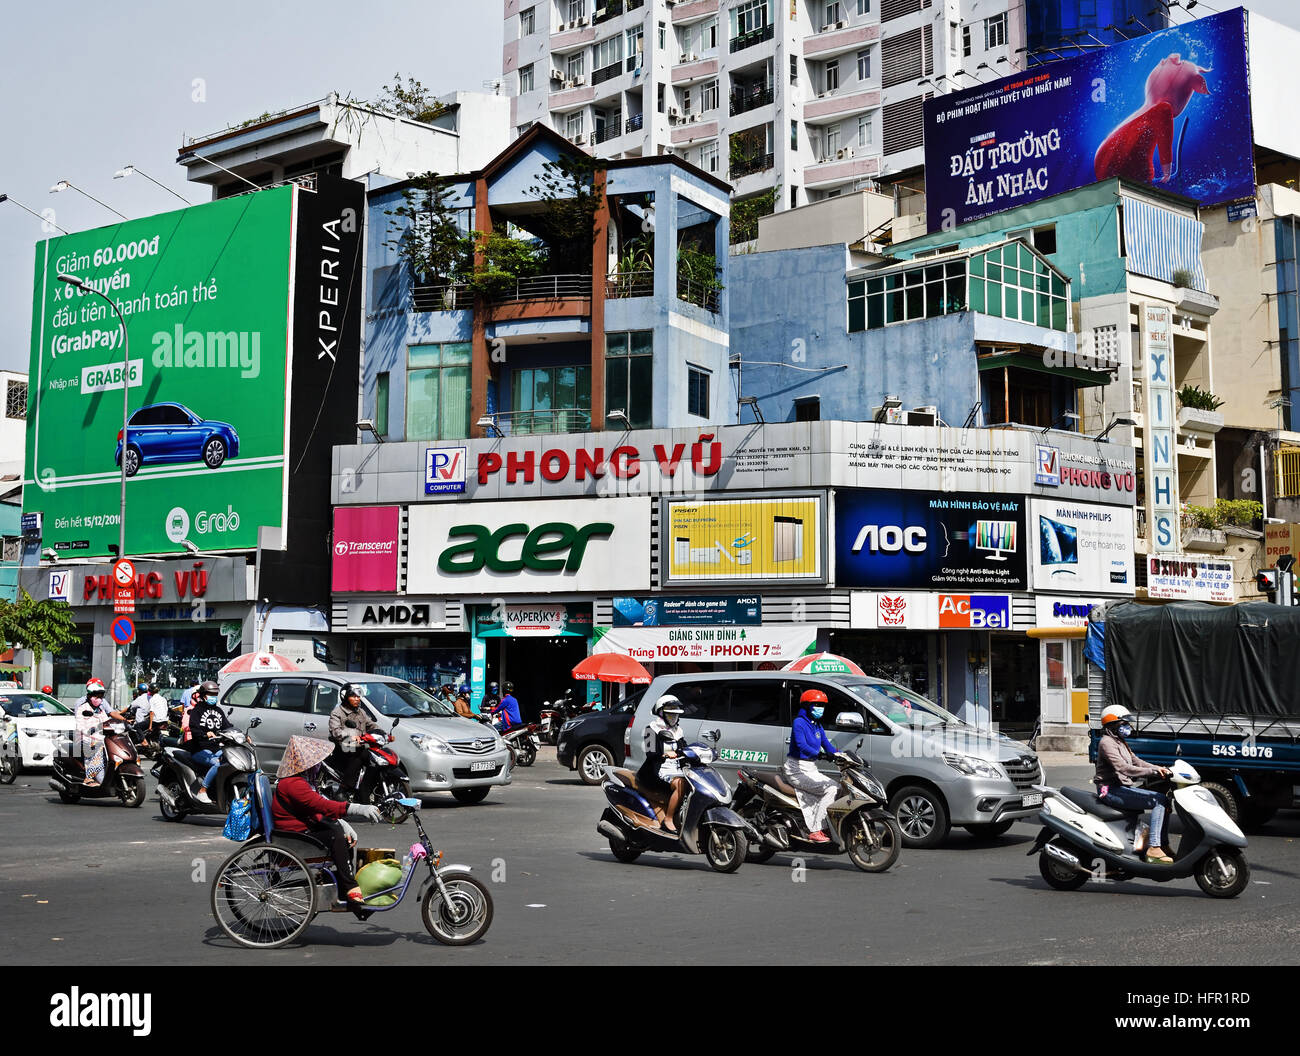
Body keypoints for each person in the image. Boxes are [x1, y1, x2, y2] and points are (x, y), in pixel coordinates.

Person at [271, 735, 382, 905]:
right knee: (335, 835)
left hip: (301, 829)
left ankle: (343, 882)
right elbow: (322, 806)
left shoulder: (300, 781)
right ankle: (350, 887)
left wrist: (340, 821)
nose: (317, 766)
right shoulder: (293, 784)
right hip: (293, 837)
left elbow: (314, 810)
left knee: (340, 833)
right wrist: (357, 808)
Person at [1094, 705, 1173, 864]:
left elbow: (1137, 761)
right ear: (1113, 724)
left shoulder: (1121, 741)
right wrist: (1153, 772)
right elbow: (1123, 768)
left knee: (1165, 801)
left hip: (1121, 787)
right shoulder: (1107, 743)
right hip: (1109, 790)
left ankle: (1163, 845)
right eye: (1124, 724)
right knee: (1158, 801)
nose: (1128, 727)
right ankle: (1154, 847)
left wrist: (1159, 768)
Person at [782, 689, 842, 844]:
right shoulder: (799, 723)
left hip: (810, 768)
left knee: (837, 787)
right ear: (807, 706)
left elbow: (827, 745)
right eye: (816, 704)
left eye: (822, 705)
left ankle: (825, 825)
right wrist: (819, 754)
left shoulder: (817, 725)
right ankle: (815, 830)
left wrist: (842, 756)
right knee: (830, 789)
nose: (820, 708)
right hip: (796, 769)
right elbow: (801, 745)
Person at [638, 695, 689, 833]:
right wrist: (665, 754)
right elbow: (650, 753)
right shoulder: (651, 729)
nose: (674, 718)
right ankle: (668, 819)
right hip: (655, 771)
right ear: (661, 713)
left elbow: (684, 748)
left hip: (674, 769)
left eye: (676, 715)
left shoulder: (678, 731)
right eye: (670, 714)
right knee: (680, 784)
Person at [328, 683, 383, 793]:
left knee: (377, 757)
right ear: (345, 697)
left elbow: (371, 724)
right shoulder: (337, 713)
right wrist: (351, 736)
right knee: (359, 757)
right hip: (343, 748)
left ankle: (368, 786)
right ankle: (343, 789)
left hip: (360, 746)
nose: (357, 699)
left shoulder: (361, 712)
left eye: (358, 697)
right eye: (353, 696)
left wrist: (382, 733)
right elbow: (336, 731)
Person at [74, 679, 125, 788]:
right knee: (96, 747)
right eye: (96, 696)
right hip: (85, 737)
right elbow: (81, 726)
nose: (99, 699)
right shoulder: (82, 706)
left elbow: (108, 719)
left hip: (100, 737)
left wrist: (123, 722)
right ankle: (89, 776)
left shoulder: (100, 708)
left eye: (101, 695)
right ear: (90, 695)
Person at [186, 680, 230, 805]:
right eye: (211, 694)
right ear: (203, 696)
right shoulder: (196, 711)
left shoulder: (219, 711)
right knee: (218, 764)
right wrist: (206, 734)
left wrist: (242, 735)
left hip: (216, 748)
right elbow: (194, 728)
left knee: (230, 761)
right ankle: (202, 790)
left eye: (215, 694)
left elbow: (227, 726)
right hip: (200, 749)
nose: (213, 697)